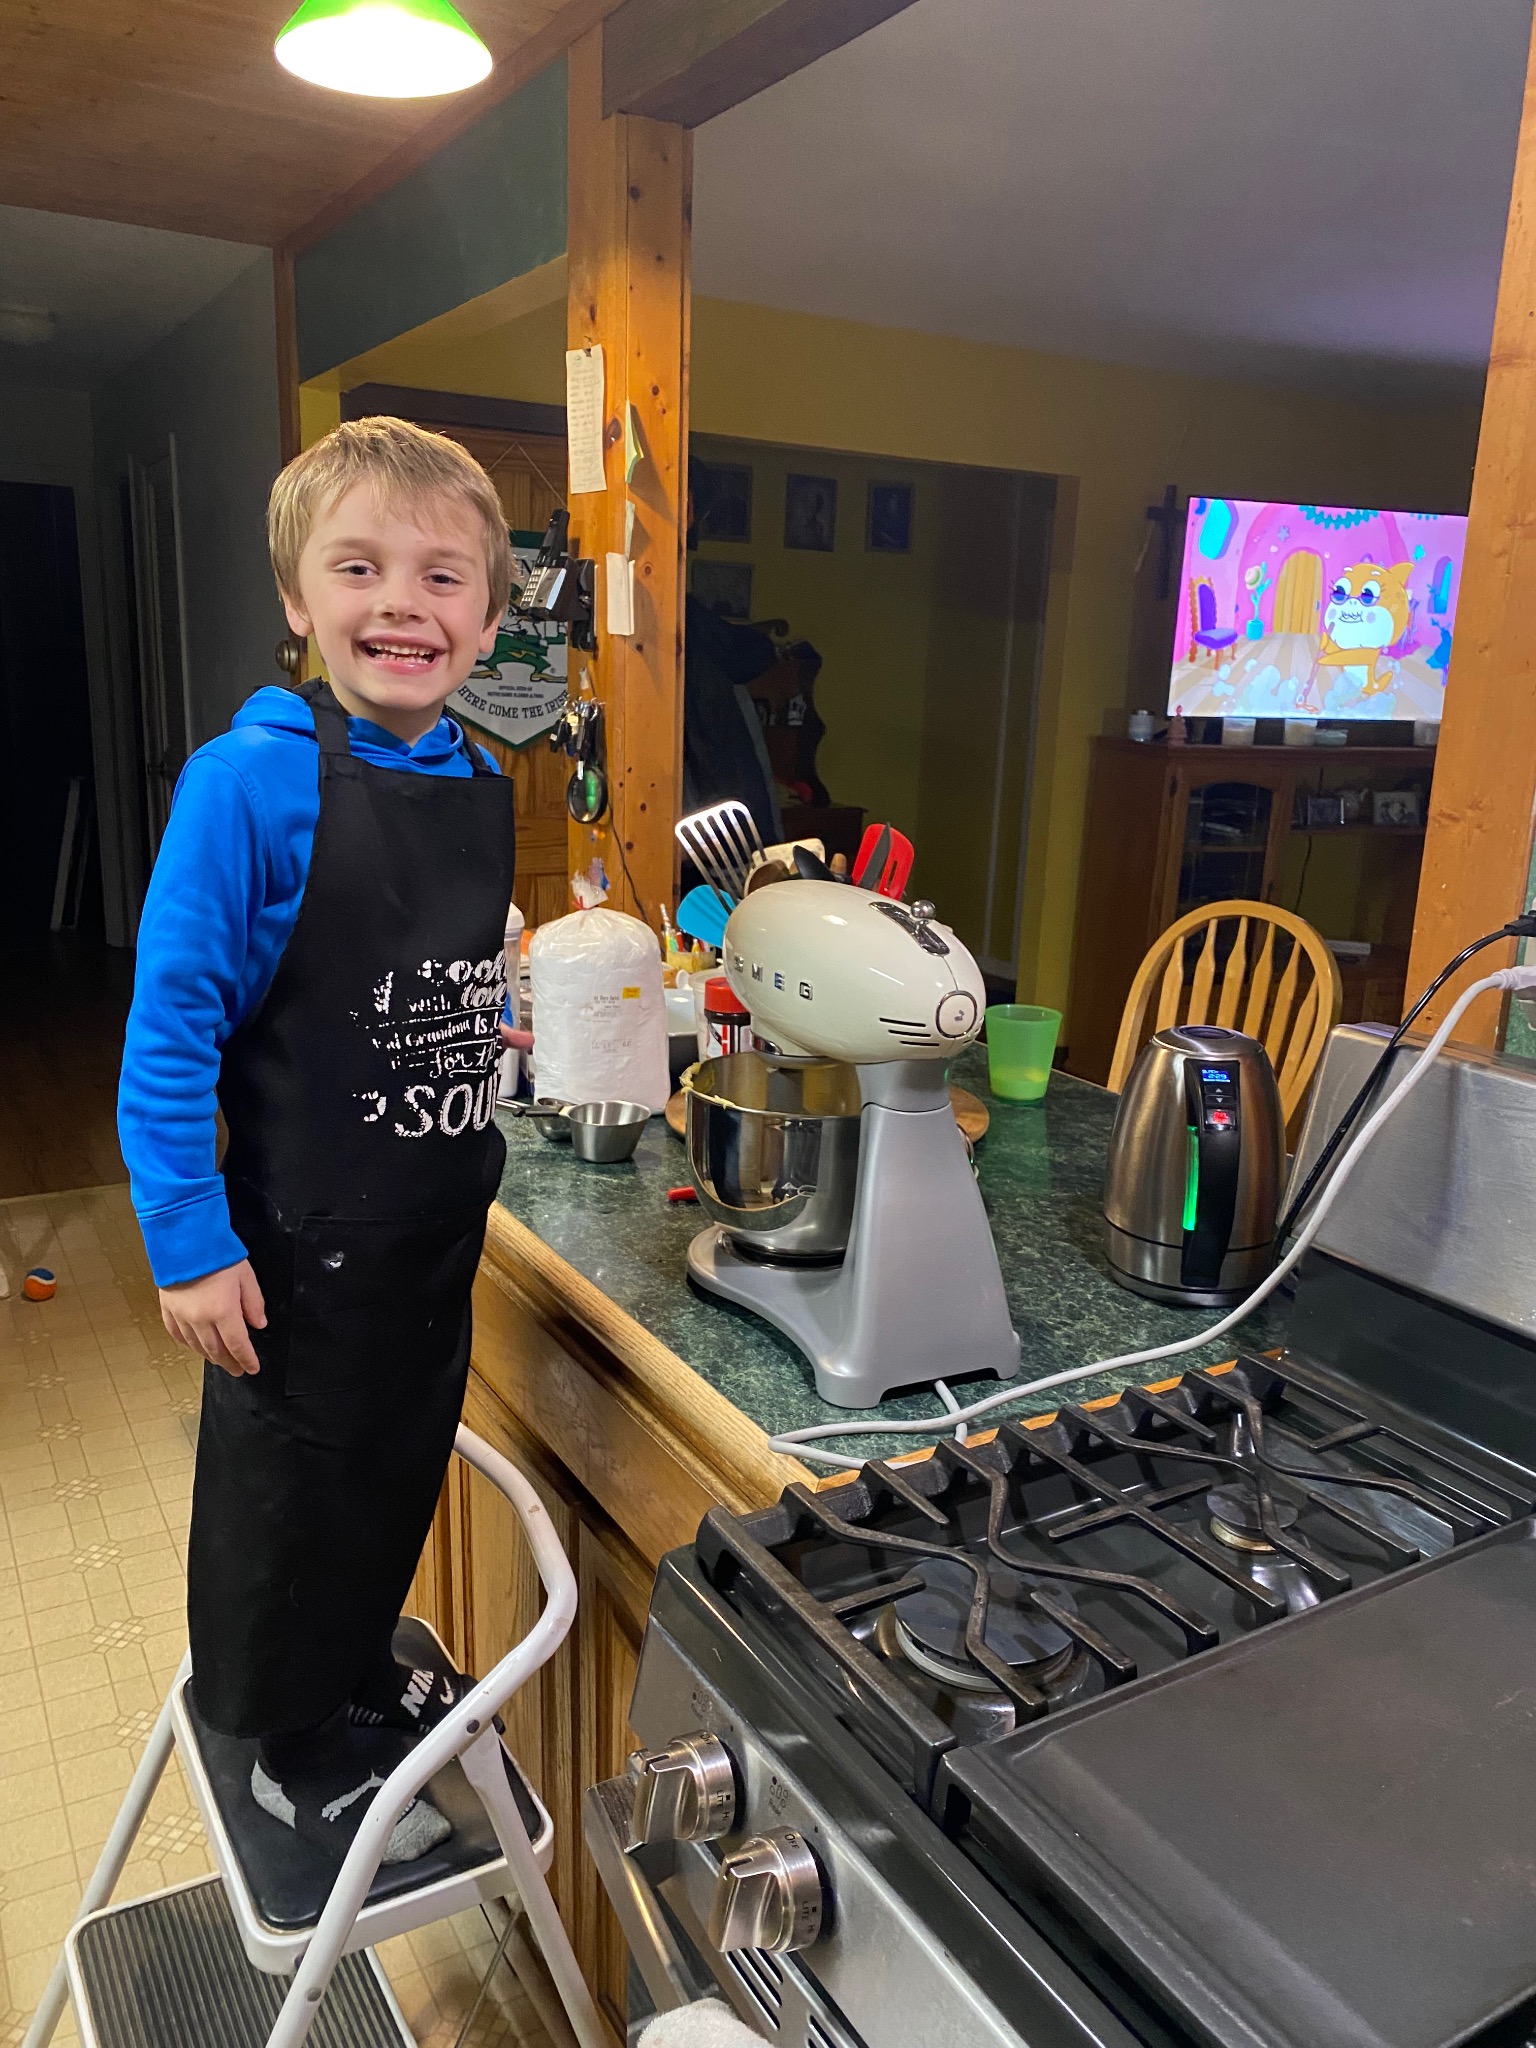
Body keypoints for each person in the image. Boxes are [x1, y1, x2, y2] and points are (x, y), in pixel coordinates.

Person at [118, 417, 525, 1865]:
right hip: (299, 1250)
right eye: (360, 568)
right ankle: (287, 1755)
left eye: (443, 575)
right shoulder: (248, 783)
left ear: (489, 616)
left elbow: (411, 978)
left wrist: (487, 1018)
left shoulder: (478, 777)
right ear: (298, 600)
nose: (403, 603)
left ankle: (353, 1678)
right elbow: (171, 1025)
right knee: (290, 1506)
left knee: (385, 1484)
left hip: (433, 1232)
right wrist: (187, 1238)